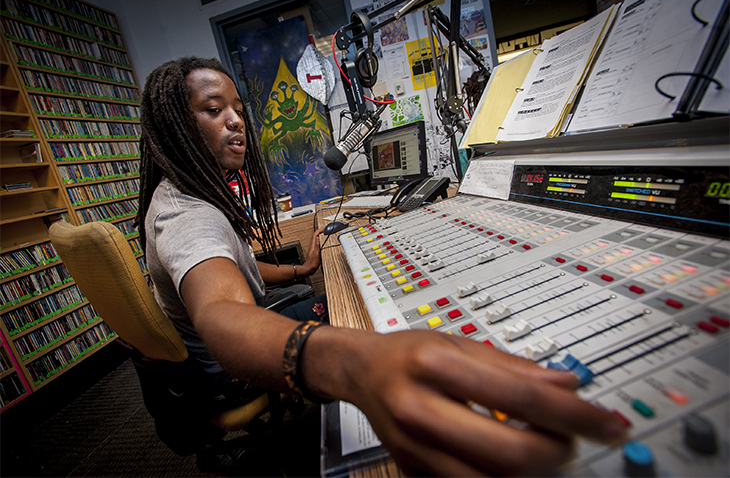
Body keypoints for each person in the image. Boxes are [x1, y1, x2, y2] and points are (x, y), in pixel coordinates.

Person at [137, 56, 628, 476]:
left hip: (208, 361)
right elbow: (221, 308)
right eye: (213, 110)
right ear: (176, 126)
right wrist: (351, 363)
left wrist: (300, 270)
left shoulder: (186, 194)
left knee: (327, 292)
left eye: (239, 110)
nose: (236, 121)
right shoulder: (188, 216)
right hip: (224, 371)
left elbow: (234, 271)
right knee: (352, 315)